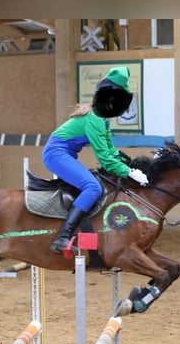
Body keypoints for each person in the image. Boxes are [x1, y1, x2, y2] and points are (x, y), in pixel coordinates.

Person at [42, 66, 148, 254]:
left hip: (64, 155)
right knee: (93, 187)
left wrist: (128, 167)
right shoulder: (95, 119)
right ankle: (63, 238)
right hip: (56, 155)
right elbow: (105, 159)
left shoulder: (103, 118)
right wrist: (128, 172)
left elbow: (110, 150)